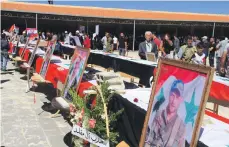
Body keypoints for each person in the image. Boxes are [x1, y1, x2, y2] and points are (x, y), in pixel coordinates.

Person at [145, 80, 185, 147]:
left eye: (177, 97)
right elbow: (148, 140)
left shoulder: (181, 126)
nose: (174, 101)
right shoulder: (158, 114)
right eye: (172, 95)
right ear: (169, 95)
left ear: (181, 100)